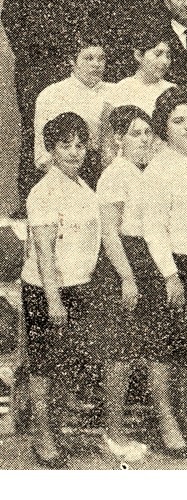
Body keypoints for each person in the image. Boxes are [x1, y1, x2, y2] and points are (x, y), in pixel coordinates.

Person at [21, 113, 101, 468]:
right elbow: (44, 252)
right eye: (65, 145)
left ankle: (56, 429)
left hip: (78, 285)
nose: (74, 152)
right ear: (51, 150)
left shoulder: (83, 186)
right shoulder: (44, 192)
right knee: (43, 368)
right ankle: (42, 438)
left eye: (80, 145)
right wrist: (53, 301)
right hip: (47, 290)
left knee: (65, 365)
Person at [140, 86, 187, 458]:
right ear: (164, 127)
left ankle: (182, 419)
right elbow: (153, 228)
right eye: (178, 120)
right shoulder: (158, 169)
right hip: (167, 267)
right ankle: (166, 424)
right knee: (163, 350)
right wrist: (170, 275)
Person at [2, 0, 91, 206]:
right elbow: (12, 21)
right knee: (35, 132)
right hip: (35, 70)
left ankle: (76, 200)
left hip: (75, 70)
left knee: (76, 131)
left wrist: (76, 61)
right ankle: (31, 202)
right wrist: (36, 57)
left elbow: (93, 22)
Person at [95, 105, 155, 462]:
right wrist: (128, 277)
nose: (144, 139)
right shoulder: (115, 174)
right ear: (119, 139)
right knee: (118, 355)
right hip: (120, 265)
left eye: (148, 132)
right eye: (135, 133)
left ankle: (120, 430)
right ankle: (113, 434)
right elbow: (109, 232)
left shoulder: (143, 171)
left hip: (144, 258)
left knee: (131, 352)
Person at [33, 36, 109, 188]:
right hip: (66, 178)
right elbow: (42, 155)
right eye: (89, 58)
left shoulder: (117, 91)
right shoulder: (52, 95)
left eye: (101, 59)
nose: (96, 64)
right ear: (72, 61)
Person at [99, 29, 174, 114]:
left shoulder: (172, 90)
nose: (165, 61)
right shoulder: (120, 90)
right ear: (138, 55)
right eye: (158, 54)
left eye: (168, 56)